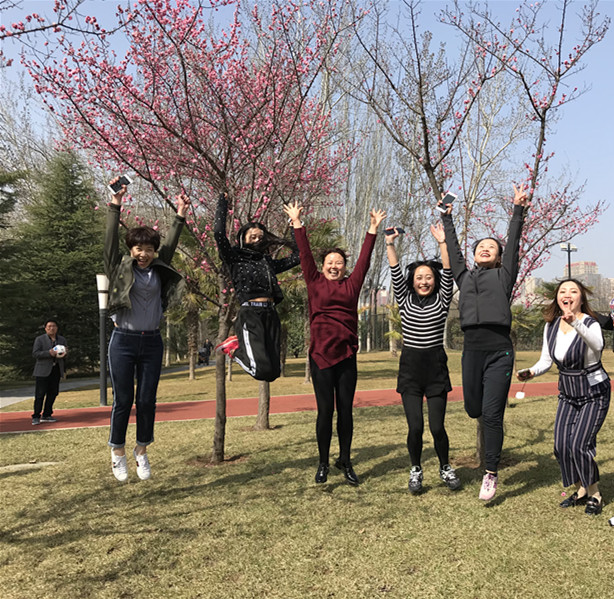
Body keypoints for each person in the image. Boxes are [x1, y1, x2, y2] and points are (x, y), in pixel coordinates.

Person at [284, 200, 386, 485]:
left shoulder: (352, 284)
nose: (334, 266)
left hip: (346, 357)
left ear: (344, 267)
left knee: (345, 412)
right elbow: (305, 254)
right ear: (323, 266)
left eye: (338, 263)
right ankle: (322, 463)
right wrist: (297, 223)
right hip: (320, 357)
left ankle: (345, 460)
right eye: (330, 262)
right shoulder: (314, 281)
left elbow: (365, 259)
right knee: (325, 412)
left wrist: (372, 229)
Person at [441, 183, 529, 501]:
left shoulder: (504, 277)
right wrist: (447, 218)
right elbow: (454, 252)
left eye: (492, 247)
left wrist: (518, 210)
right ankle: (488, 457)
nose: (486, 249)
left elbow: (514, 242)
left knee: (492, 415)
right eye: (481, 247)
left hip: (499, 351)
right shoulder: (464, 277)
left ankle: (490, 473)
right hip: (472, 350)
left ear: (499, 257)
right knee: (473, 409)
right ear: (475, 255)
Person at [105, 176, 188, 482]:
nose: (144, 253)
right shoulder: (119, 267)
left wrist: (180, 214)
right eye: (139, 248)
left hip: (152, 342)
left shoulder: (158, 269)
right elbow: (109, 242)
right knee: (123, 400)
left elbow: (171, 244)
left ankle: (141, 450)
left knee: (147, 400)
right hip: (123, 341)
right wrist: (115, 204)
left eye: (149, 249)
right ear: (131, 249)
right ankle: (117, 452)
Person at [517, 279, 610, 515]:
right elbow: (546, 360)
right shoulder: (551, 326)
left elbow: (597, 345)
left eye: (573, 291)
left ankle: (595, 494)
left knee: (579, 444)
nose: (567, 295)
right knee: (561, 446)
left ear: (581, 298)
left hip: (594, 392)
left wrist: (575, 322)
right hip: (568, 393)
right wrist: (531, 372)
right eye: (563, 291)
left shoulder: (590, 322)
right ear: (557, 297)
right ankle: (580, 489)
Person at [384, 222, 460, 493]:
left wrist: (442, 243)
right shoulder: (404, 300)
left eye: (428, 277)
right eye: (419, 277)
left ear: (434, 280)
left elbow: (448, 271)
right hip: (411, 371)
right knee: (415, 427)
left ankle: (445, 467)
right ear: (413, 281)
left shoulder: (442, 300)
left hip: (435, 369)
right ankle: (415, 469)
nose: (424, 281)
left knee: (437, 428)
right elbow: (395, 270)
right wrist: (390, 244)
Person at [214, 193, 300, 382]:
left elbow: (298, 256)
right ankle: (234, 349)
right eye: (253, 237)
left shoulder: (267, 262)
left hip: (271, 314)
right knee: (260, 370)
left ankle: (240, 348)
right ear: (243, 239)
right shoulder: (234, 257)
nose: (257, 240)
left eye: (261, 237)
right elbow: (219, 235)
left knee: (273, 373)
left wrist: (294, 224)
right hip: (250, 314)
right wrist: (223, 203)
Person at [31, 319, 67, 425]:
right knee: (40, 394)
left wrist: (65, 353)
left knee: (53, 393)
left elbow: (65, 353)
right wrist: (49, 353)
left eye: (54, 326)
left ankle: (47, 414)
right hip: (42, 371)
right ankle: (36, 416)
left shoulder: (62, 339)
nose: (52, 328)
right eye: (49, 326)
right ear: (45, 328)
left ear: (57, 328)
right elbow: (35, 353)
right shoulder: (40, 339)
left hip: (56, 369)